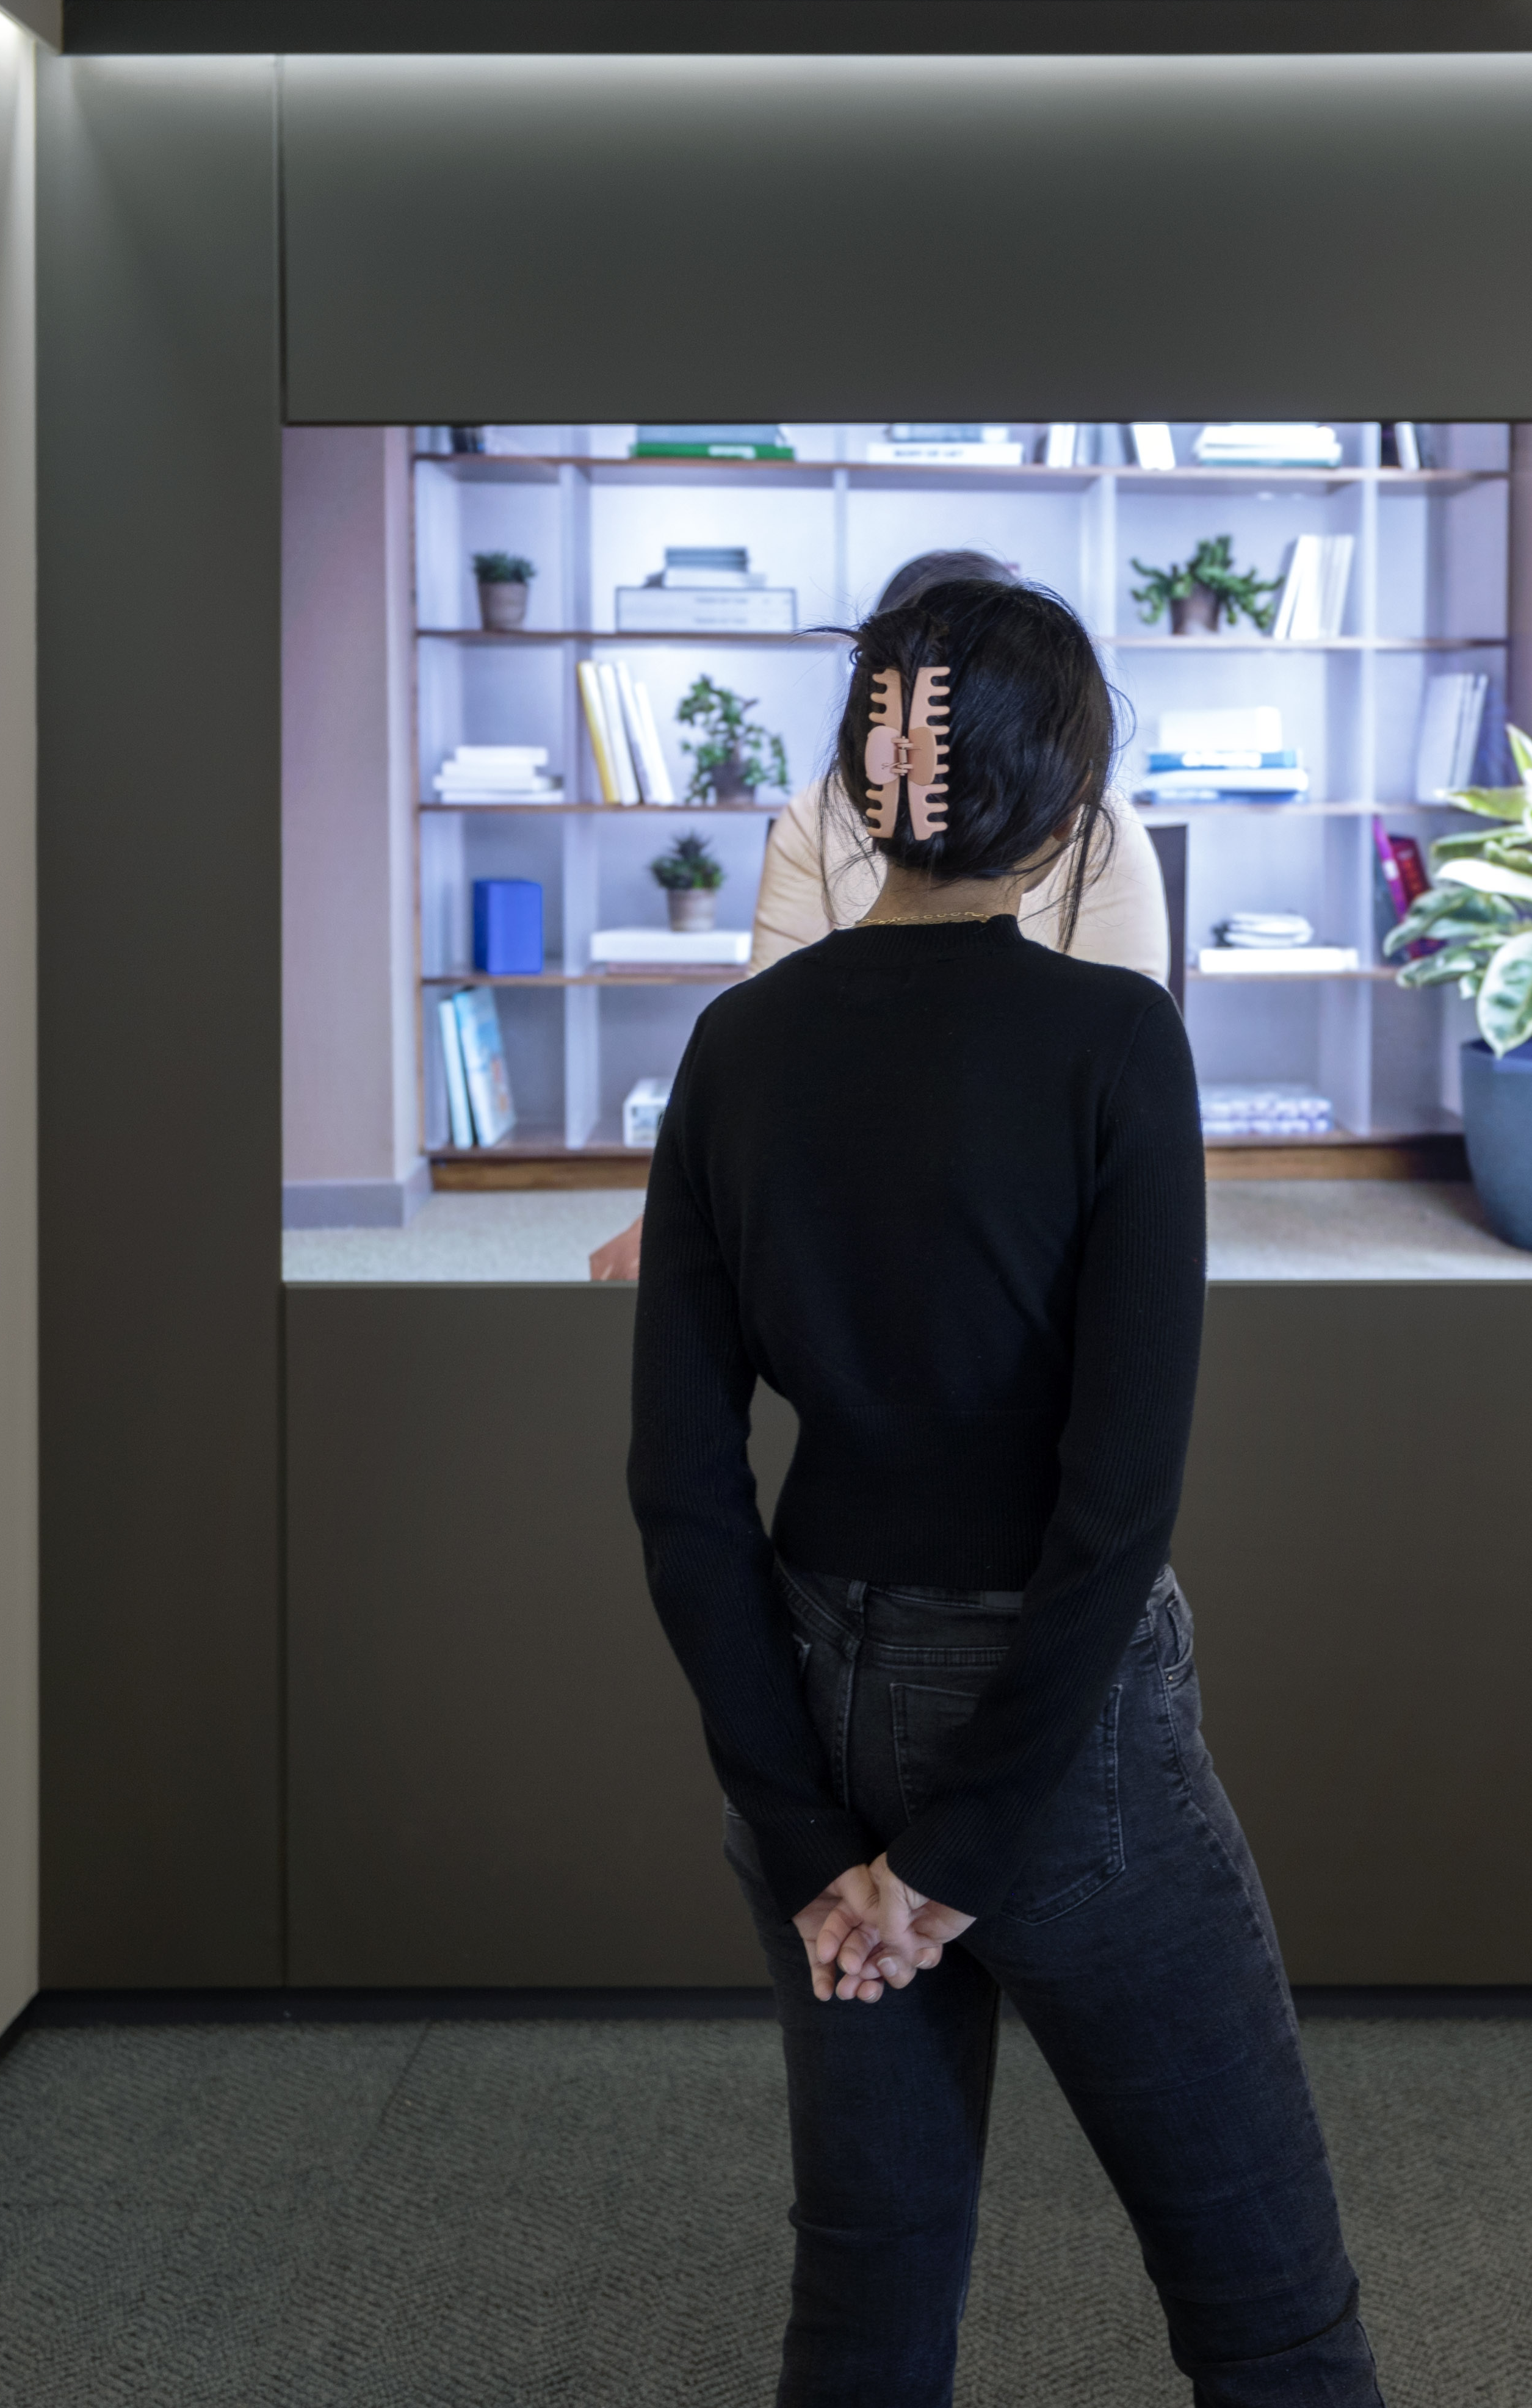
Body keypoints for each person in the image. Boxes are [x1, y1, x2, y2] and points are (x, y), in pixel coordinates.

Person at [626, 573, 1381, 2406]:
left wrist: (818, 1844)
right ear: (1069, 808)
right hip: (1059, 1743)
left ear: (856, 778)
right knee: (1264, 2300)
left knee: (867, 2310)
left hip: (812, 1704)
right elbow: (1111, 1508)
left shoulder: (736, 1052)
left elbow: (680, 1483)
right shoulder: (1115, 1045)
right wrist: (952, 1863)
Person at [586, 549, 1164, 1282]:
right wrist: (678, 1210)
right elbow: (770, 1057)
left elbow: (1123, 1096)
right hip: (848, 1145)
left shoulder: (1096, 834)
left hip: (1031, 1165)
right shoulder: (814, 827)